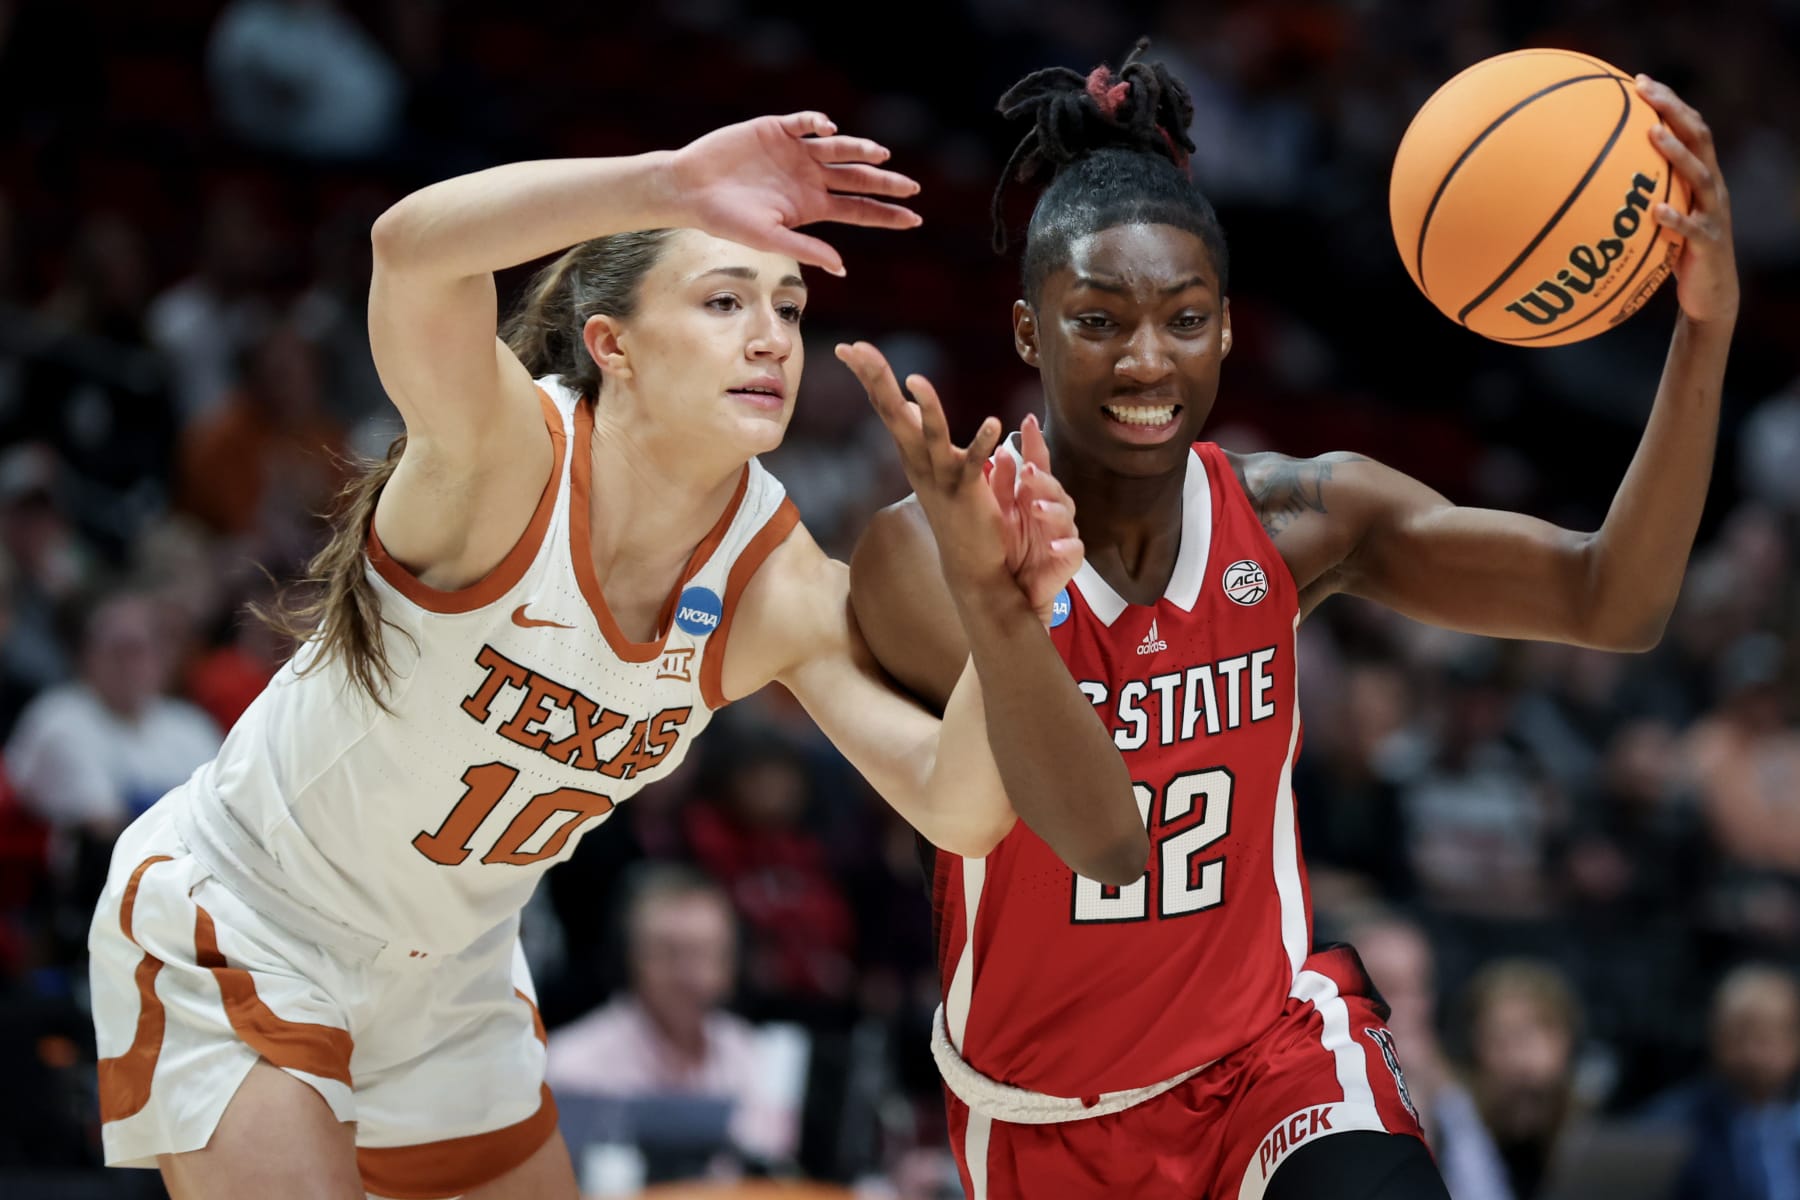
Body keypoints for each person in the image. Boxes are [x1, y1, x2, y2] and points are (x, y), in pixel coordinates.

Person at [86, 112, 1147, 1200]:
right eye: (724, 301)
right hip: (254, 914)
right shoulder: (507, 461)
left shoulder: (772, 578)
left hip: (451, 979)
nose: (772, 339)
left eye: (788, 307)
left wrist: (1008, 613)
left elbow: (957, 807)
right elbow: (409, 249)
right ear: (613, 345)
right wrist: (665, 185)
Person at [844, 37, 1737, 1200]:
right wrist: (999, 601)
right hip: (1043, 1118)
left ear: (1226, 330)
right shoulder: (924, 556)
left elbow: (1610, 598)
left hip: (1273, 1059)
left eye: (1184, 318)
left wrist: (1704, 328)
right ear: (1029, 333)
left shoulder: (1297, 518)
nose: (1147, 360)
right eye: (1099, 321)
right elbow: (1092, 831)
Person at [545, 864, 798, 1172]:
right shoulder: (569, 1065)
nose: (688, 975)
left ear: (730, 964)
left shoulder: (749, 1052)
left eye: (704, 954)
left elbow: (778, 1162)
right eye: (669, 954)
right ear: (631, 958)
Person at [1643, 963, 1800, 1200]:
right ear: (1716, 1036)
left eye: (1774, 1033)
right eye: (1743, 1033)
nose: (1757, 1050)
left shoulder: (1792, 1120)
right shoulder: (1672, 1128)